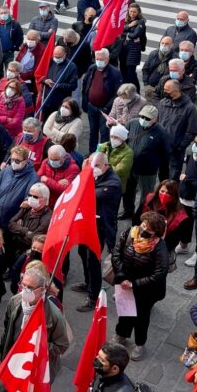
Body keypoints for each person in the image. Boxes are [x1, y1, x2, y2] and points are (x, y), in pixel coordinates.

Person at [111, 211, 169, 360]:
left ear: (155, 232)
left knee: (141, 317)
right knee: (125, 310)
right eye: (143, 225)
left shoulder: (159, 247)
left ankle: (139, 344)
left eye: (148, 229)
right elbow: (116, 253)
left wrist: (134, 284)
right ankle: (121, 334)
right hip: (125, 281)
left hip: (145, 289)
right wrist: (122, 277)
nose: (143, 230)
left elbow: (159, 273)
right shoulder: (129, 233)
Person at [75, 152, 123, 311]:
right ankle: (88, 283)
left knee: (93, 260)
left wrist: (85, 174)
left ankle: (93, 296)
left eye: (96, 165)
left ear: (106, 166)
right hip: (88, 222)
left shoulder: (113, 183)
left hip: (101, 227)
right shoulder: (95, 176)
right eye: (90, 165)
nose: (93, 168)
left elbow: (88, 195)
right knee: (82, 252)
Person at [83, 49, 122, 152]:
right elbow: (86, 83)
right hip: (92, 106)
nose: (99, 61)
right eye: (97, 59)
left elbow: (117, 93)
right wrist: (86, 102)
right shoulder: (92, 68)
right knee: (93, 131)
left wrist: (107, 107)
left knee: (104, 133)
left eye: (101, 59)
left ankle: (102, 154)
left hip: (105, 110)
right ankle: (92, 152)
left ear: (107, 59)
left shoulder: (115, 73)